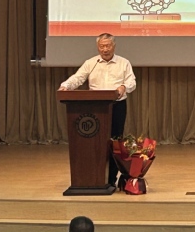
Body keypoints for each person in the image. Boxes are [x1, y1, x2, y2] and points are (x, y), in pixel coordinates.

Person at [58, 33, 137, 189]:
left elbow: (131, 82)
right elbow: (78, 78)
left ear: (114, 46)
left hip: (116, 106)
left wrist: (123, 87)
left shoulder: (123, 63)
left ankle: (111, 178)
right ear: (97, 47)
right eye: (102, 46)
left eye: (108, 46)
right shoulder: (91, 63)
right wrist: (65, 86)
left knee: (114, 142)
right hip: (94, 108)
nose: (105, 49)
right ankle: (92, 176)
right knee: (94, 142)